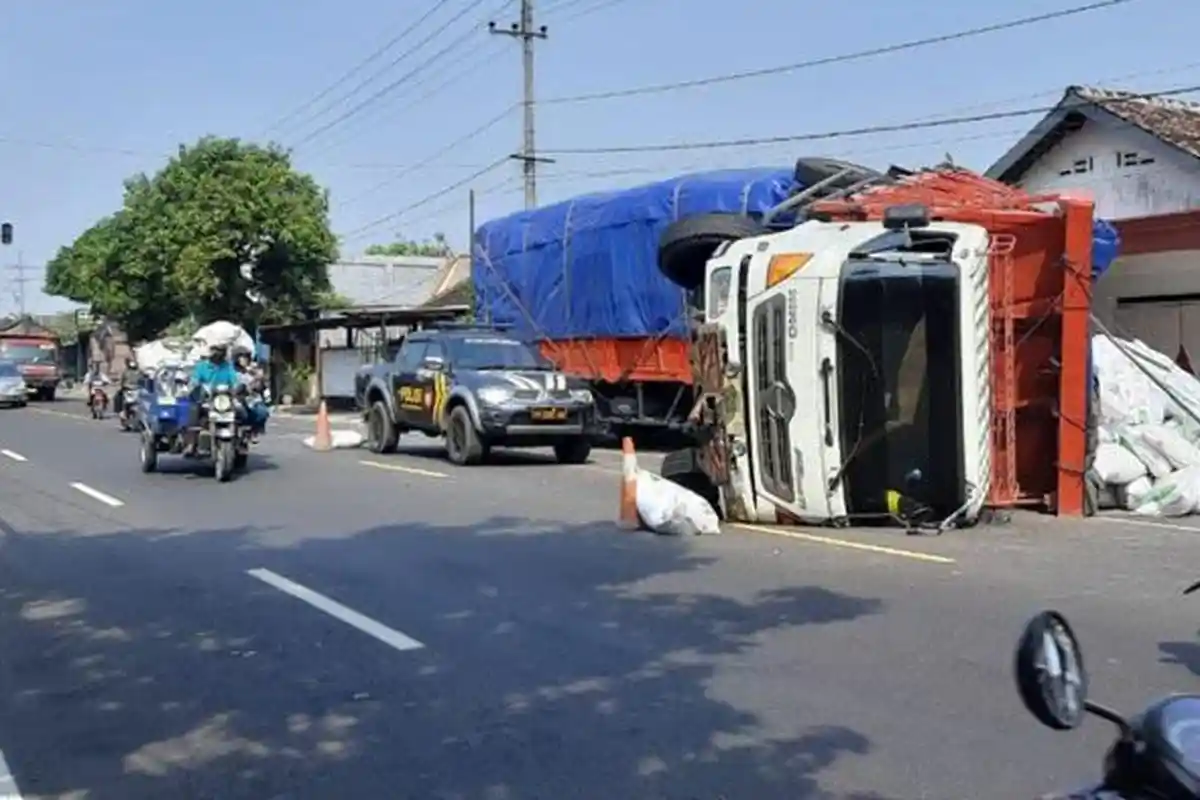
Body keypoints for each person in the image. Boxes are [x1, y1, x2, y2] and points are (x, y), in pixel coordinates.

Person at [184, 344, 238, 454]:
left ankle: (240, 441)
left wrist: (237, 389)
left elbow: (235, 381)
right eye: (216, 351)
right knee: (193, 411)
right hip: (205, 399)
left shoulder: (227, 367)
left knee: (240, 412)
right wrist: (192, 387)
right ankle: (191, 442)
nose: (218, 354)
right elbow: (195, 381)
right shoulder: (202, 366)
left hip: (223, 400)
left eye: (221, 351)